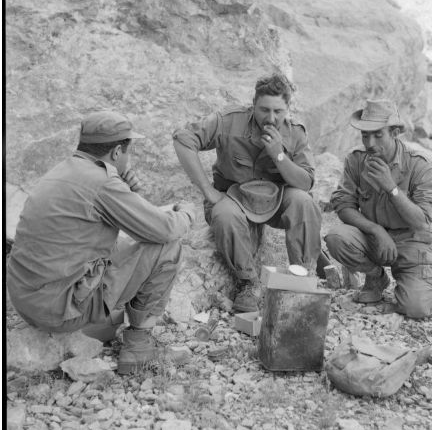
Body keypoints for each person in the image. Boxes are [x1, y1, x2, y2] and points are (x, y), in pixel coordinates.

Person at [7, 111, 196, 374]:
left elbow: (119, 226)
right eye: (128, 152)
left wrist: (128, 193)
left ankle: (101, 323)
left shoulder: (62, 171)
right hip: (58, 310)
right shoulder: (103, 182)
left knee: (122, 242)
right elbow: (163, 230)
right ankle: (138, 345)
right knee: (168, 247)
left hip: (26, 301)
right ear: (117, 152)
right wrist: (187, 212)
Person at [173, 73, 322, 313]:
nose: (271, 118)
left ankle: (301, 278)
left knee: (304, 202)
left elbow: (305, 183)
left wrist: (278, 155)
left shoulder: (295, 133)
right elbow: (183, 140)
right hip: (234, 196)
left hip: (276, 197)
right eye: (264, 110)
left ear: (288, 108)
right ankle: (248, 283)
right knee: (224, 215)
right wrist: (207, 190)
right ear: (253, 105)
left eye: (278, 112)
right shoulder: (229, 121)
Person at [324, 99, 432, 319]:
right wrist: (375, 230)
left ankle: (415, 283)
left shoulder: (420, 164)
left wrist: (390, 187)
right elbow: (343, 204)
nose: (370, 143)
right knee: (336, 238)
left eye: (378, 135)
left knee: (416, 309)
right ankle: (376, 277)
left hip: (412, 242)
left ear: (395, 132)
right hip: (374, 238)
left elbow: (421, 221)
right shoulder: (356, 160)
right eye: (365, 135)